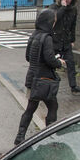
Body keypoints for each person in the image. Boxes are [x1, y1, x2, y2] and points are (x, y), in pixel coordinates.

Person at [14, 8, 66, 145]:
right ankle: (49, 135)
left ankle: (20, 136)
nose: (54, 24)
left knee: (30, 108)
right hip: (44, 79)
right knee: (53, 106)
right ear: (49, 22)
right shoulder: (46, 38)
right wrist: (59, 62)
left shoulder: (34, 35)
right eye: (53, 21)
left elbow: (27, 56)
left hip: (32, 78)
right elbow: (50, 59)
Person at [48, 0, 80, 93]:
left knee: (71, 64)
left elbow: (73, 25)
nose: (68, 1)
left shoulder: (73, 10)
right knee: (52, 63)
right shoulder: (54, 7)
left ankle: (73, 86)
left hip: (66, 41)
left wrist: (72, 39)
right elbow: (55, 19)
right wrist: (63, 8)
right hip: (55, 41)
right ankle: (49, 86)